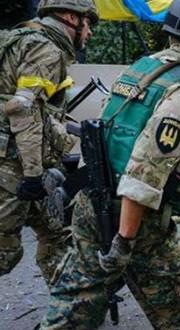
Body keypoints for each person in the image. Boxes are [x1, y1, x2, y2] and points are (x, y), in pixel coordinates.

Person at [40, 0, 180, 328]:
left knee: (73, 308)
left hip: (93, 202)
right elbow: (144, 171)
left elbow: (108, 131)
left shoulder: (144, 67)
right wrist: (123, 241)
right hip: (135, 220)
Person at [0, 0, 96, 285]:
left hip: (25, 161)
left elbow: (41, 112)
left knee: (56, 233)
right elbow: (23, 110)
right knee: (4, 253)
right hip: (14, 167)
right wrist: (31, 176)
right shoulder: (46, 50)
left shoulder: (20, 38)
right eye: (87, 22)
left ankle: (69, 309)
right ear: (70, 18)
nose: (89, 31)